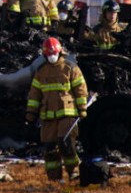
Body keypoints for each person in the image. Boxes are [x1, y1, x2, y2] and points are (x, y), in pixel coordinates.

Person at [26, 37, 89, 183]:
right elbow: (34, 94)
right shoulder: (41, 72)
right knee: (50, 148)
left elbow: (80, 89)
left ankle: (73, 172)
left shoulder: (70, 68)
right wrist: (31, 112)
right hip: (48, 116)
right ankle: (54, 178)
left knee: (66, 144)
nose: (52, 57)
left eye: (53, 53)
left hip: (67, 113)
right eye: (49, 54)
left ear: (60, 52)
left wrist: (82, 108)